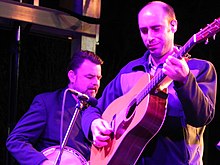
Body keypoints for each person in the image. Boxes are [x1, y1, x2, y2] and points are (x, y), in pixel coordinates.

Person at [81, 1, 217, 165]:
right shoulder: (130, 70)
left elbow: (202, 117)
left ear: (173, 25)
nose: (149, 37)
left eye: (156, 28)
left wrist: (185, 80)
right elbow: (94, 108)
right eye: (143, 31)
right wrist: (93, 124)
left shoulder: (198, 69)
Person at [6, 50, 103, 165]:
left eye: (99, 78)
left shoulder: (100, 111)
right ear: (72, 76)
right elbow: (16, 140)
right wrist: (42, 162)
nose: (96, 83)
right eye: (90, 77)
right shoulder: (47, 103)